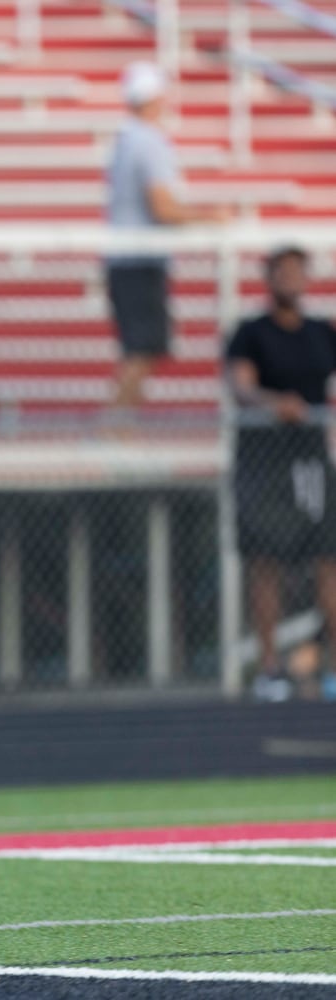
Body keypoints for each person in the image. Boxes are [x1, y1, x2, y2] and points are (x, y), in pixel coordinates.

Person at [226, 245, 336, 703]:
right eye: (283, 271)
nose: (292, 279)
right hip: (265, 461)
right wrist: (277, 406)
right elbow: (241, 387)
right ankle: (270, 668)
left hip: (310, 459)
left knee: (327, 558)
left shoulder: (322, 331)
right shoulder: (250, 333)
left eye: (299, 271)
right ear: (269, 278)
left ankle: (330, 666)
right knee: (265, 559)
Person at [104, 61, 228, 413]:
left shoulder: (127, 139)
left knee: (140, 349)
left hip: (127, 257)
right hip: (139, 258)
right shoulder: (147, 141)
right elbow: (163, 207)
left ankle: (118, 429)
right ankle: (114, 430)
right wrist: (210, 218)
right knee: (143, 349)